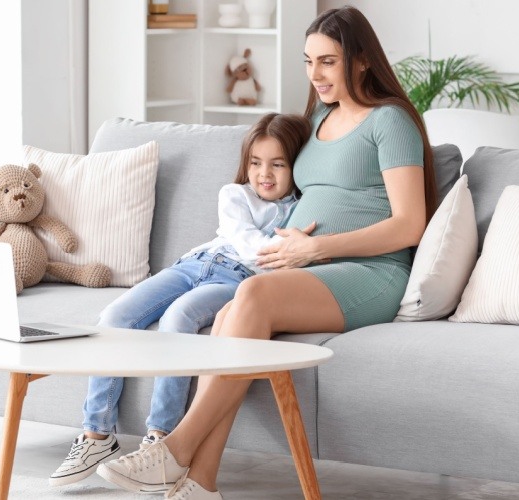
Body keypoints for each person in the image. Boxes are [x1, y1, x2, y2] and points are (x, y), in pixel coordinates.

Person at [95, 6, 439, 500]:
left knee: (251, 297)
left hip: (369, 272)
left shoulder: (392, 122)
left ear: (361, 60)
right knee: (232, 316)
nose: (314, 74)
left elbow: (411, 224)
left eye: (328, 62)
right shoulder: (319, 117)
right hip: (307, 269)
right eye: (308, 61)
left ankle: (174, 450)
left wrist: (317, 246)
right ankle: (200, 483)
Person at [49, 112, 312, 488]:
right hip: (195, 264)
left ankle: (160, 437)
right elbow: (245, 242)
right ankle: (97, 435)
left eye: (277, 164)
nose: (263, 173)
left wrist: (300, 248)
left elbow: (265, 263)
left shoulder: (304, 205)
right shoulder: (234, 194)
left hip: (240, 281)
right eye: (255, 163)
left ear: (295, 165)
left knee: (178, 320)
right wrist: (287, 245)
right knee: (113, 317)